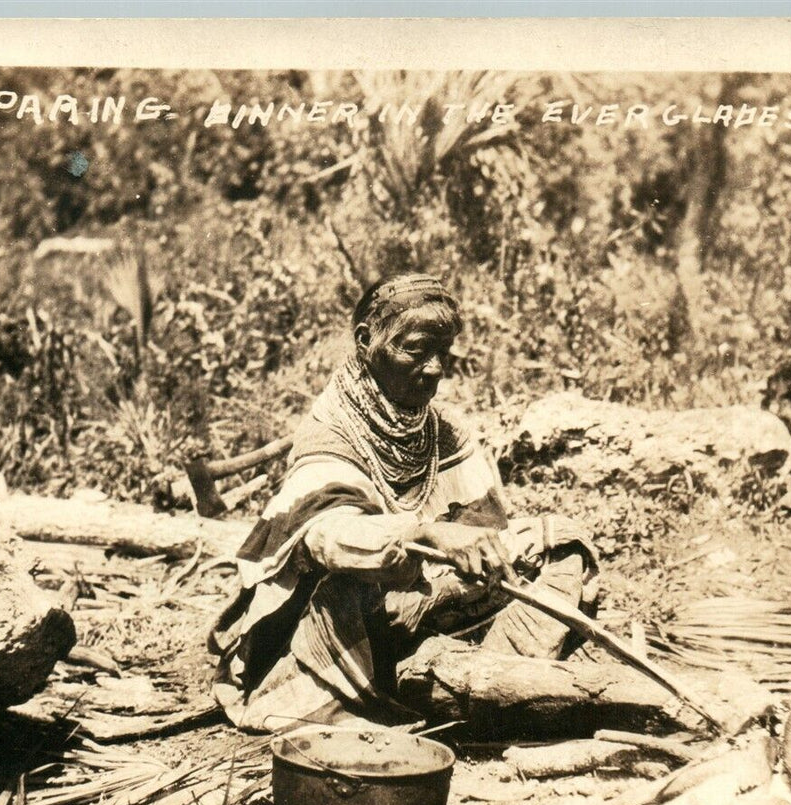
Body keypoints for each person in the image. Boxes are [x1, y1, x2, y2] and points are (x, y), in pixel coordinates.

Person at [209, 273, 599, 732]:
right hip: (347, 615)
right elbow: (327, 537)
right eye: (415, 350)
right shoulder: (330, 430)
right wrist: (423, 533)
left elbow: (485, 530)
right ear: (365, 341)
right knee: (347, 591)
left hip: (426, 597)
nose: (434, 368)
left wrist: (474, 554)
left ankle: (477, 676)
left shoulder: (444, 428)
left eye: (443, 354)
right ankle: (421, 689)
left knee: (562, 543)